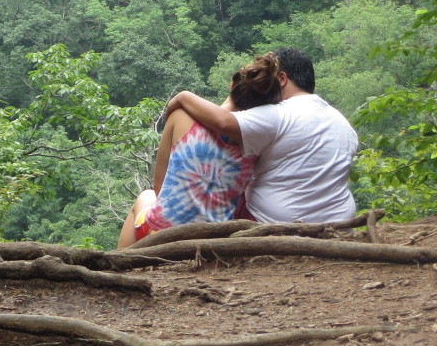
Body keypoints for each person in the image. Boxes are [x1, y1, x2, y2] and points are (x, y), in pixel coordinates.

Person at [162, 48, 358, 224]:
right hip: (339, 223)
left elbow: (223, 121)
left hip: (274, 223)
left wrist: (183, 97)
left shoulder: (280, 113)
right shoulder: (342, 123)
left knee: (219, 184)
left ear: (282, 79)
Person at [117, 53, 283, 248]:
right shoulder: (257, 141)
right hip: (215, 241)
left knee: (146, 196)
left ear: (232, 85)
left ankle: (121, 263)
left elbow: (159, 186)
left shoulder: (181, 116)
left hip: (160, 233)